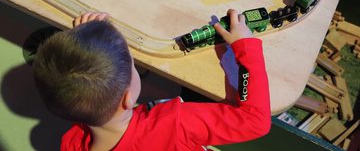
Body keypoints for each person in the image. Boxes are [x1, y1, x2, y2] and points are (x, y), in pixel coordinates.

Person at [33, 10, 271, 151]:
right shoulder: (174, 123)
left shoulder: (71, 143)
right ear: (128, 98)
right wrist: (243, 48)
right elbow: (254, 120)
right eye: (132, 64)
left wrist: (85, 41)